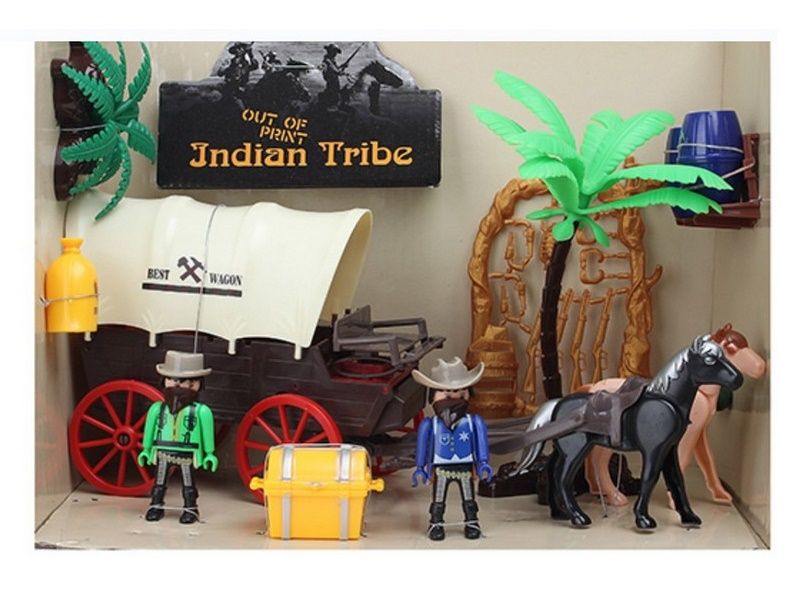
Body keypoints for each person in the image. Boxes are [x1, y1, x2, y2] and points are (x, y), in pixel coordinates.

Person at [411, 357, 493, 540]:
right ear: (433, 395)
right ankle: (436, 523)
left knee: (469, 498)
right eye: (446, 392)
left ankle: (472, 522)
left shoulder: (474, 421)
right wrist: (420, 467)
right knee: (438, 499)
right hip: (441, 467)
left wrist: (483, 462)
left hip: (465, 466)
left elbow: (480, 442)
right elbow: (423, 445)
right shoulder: (430, 424)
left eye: (458, 391)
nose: (453, 396)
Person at [138, 351, 218, 524]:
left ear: (196, 384)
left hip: (187, 453)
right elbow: (149, 430)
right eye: (172, 379)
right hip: (162, 450)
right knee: (159, 481)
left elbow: (207, 434)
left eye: (184, 381)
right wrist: (146, 450)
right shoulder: (157, 409)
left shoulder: (201, 412)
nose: (177, 384)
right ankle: (156, 505)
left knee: (188, 483)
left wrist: (209, 453)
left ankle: (190, 508)